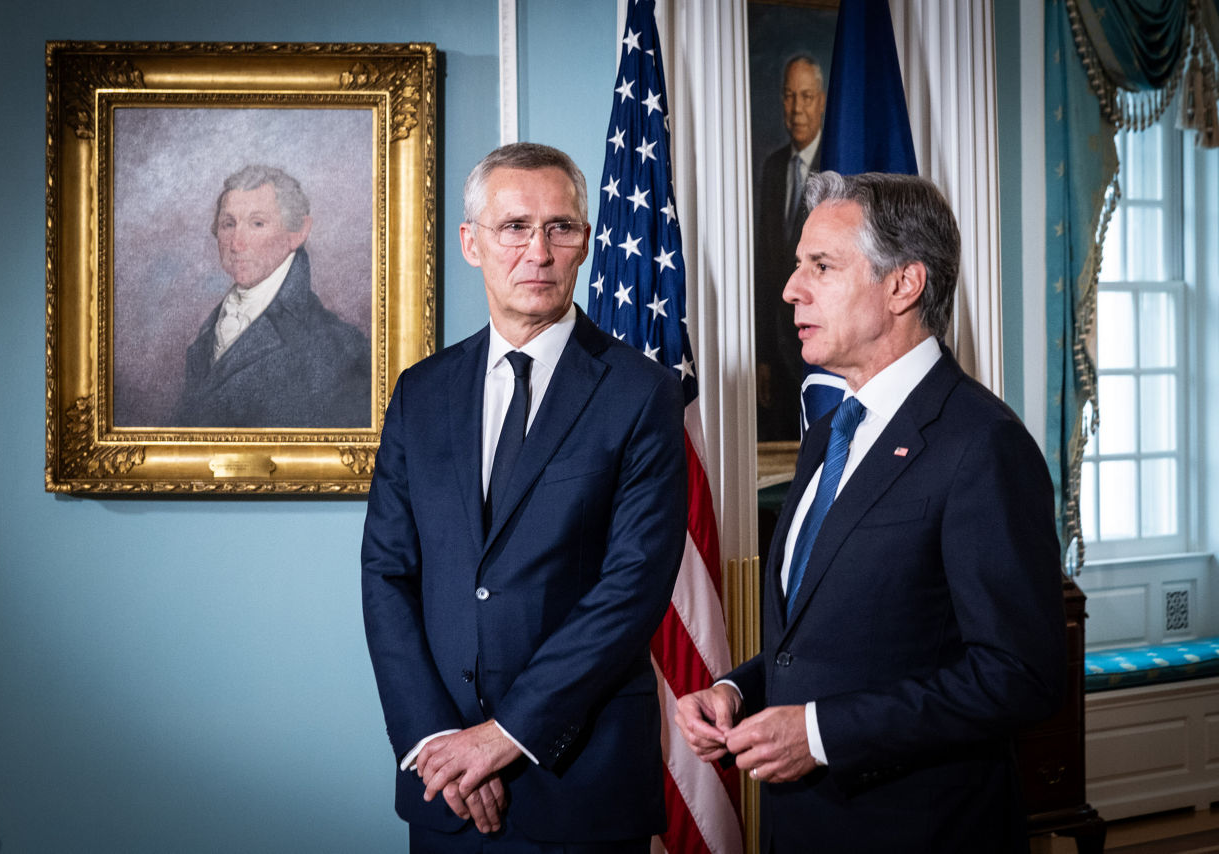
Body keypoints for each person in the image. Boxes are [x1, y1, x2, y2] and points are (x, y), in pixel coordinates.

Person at [676, 171, 1065, 853]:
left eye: (820, 266)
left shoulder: (982, 444)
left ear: (903, 285)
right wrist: (739, 691)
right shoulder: (831, 433)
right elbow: (835, 640)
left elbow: (1019, 677)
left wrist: (821, 734)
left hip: (923, 831)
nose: (791, 289)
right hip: (804, 829)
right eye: (798, 267)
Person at [361, 142, 687, 852]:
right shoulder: (421, 392)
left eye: (560, 228)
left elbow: (633, 589)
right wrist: (439, 741)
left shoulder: (643, 394)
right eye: (514, 227)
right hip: (443, 783)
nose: (537, 251)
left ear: (585, 244)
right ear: (471, 243)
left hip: (578, 782)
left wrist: (503, 738)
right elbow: (388, 573)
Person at [172, 165, 370, 428]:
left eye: (257, 223)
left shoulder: (340, 347)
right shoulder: (210, 329)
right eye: (228, 224)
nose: (236, 244)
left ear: (298, 232)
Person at [755, 56, 827, 441]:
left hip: (822, 344)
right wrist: (763, 354)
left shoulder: (839, 166)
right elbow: (764, 270)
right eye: (788, 96)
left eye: (806, 96)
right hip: (778, 354)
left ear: (822, 101)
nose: (797, 108)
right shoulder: (772, 167)